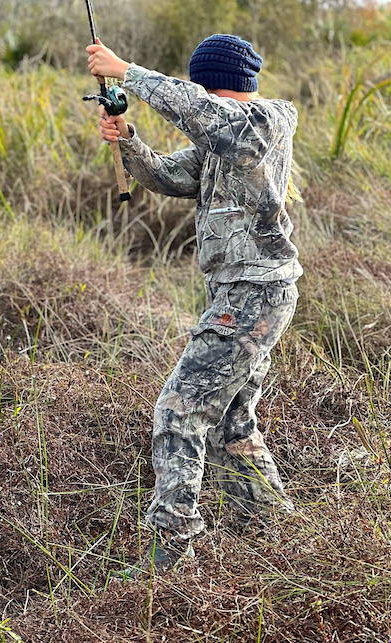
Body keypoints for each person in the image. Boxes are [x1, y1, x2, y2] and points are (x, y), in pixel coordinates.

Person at [86, 34, 302, 576]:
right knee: (231, 419)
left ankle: (171, 552)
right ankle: (277, 530)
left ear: (213, 84)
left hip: (257, 292)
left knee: (178, 410)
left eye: (203, 86)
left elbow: (209, 117)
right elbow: (167, 175)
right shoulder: (218, 140)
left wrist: (128, 72)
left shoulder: (266, 122)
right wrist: (128, 139)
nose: (201, 96)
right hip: (240, 292)